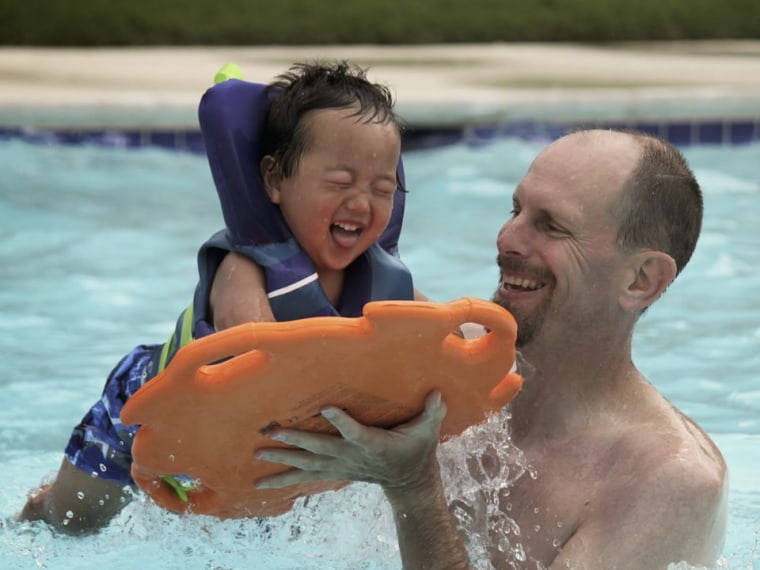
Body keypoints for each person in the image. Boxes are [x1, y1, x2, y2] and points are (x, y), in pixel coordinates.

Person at [253, 128, 729, 569]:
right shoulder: (444, 358)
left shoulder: (666, 483)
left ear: (641, 279)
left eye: (552, 226)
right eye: (515, 210)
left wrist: (413, 487)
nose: (507, 239)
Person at [18, 60, 425, 534]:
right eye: (340, 183)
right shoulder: (247, 266)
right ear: (273, 180)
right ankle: (33, 508)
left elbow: (439, 334)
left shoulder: (382, 281)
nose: (362, 203)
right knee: (69, 524)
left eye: (382, 189)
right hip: (144, 410)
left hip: (242, 439)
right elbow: (249, 349)